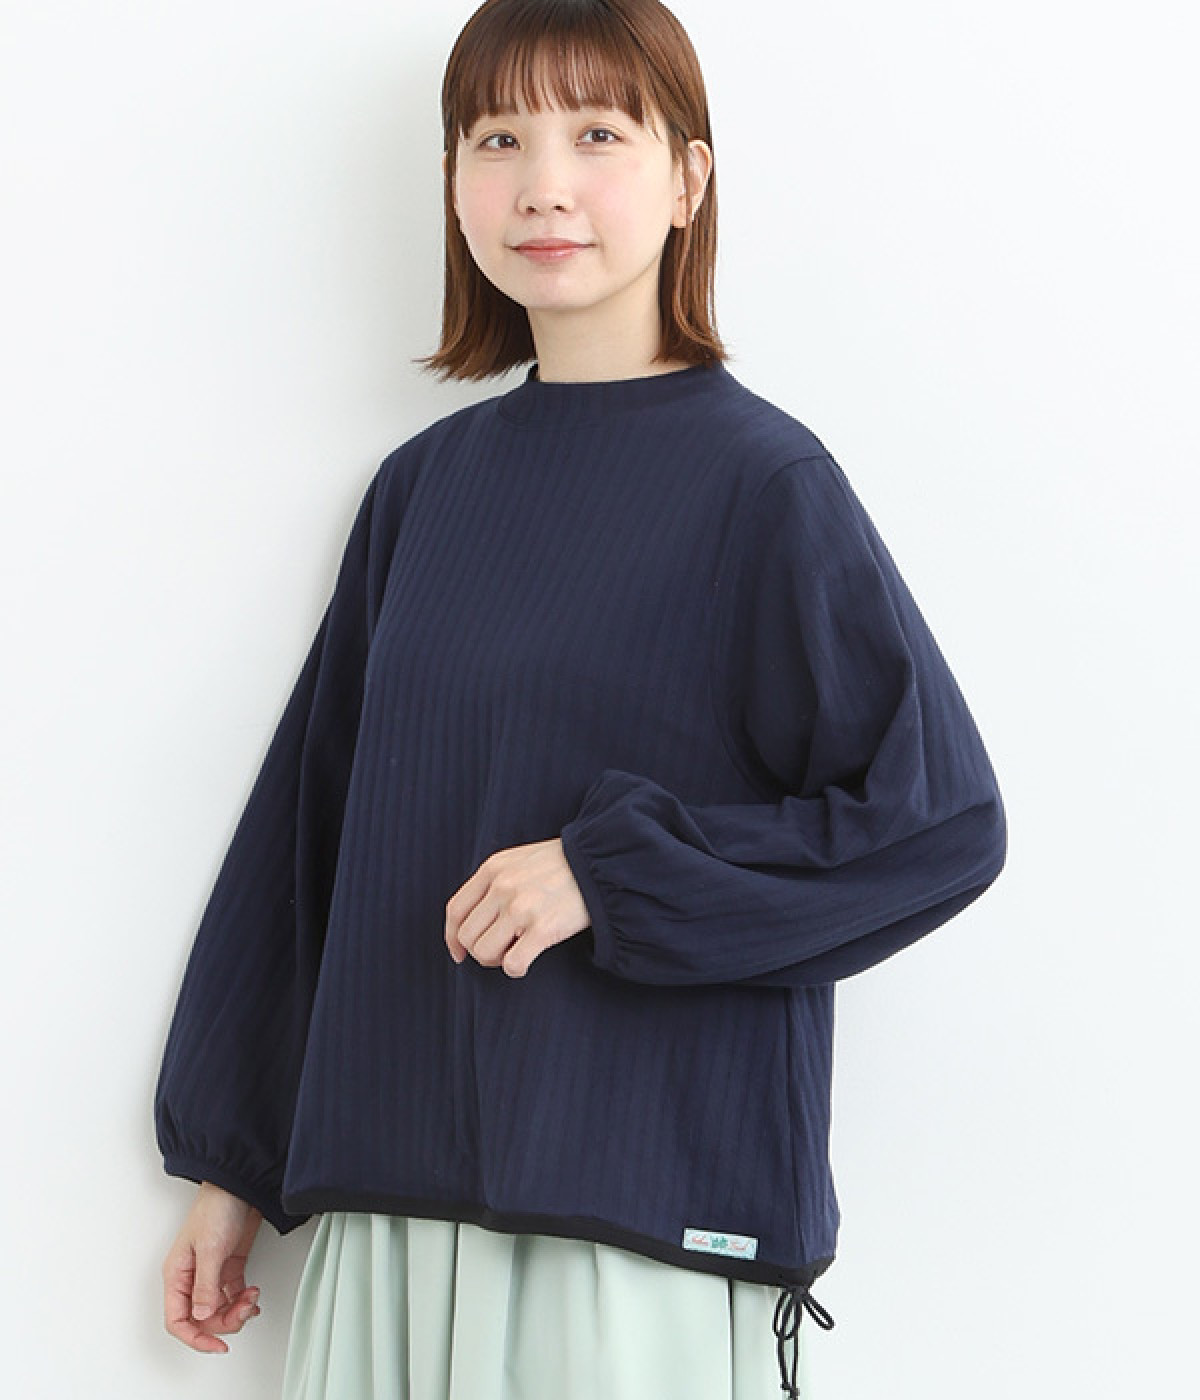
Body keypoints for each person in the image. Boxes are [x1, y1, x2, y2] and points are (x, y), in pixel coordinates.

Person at [154, 2, 1008, 1397]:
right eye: (498, 140)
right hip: (388, 1210)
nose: (543, 184)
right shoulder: (425, 492)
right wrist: (231, 1167)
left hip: (630, 1231)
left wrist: (612, 878)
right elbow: (312, 845)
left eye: (599, 134)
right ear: (454, 183)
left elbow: (936, 826)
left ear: (687, 180)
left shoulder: (765, 487)